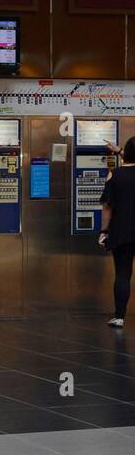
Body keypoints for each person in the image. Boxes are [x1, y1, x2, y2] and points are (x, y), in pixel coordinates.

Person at [100, 137, 135, 326]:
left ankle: (120, 317)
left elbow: (107, 207)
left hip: (122, 231)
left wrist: (103, 230)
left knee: (123, 273)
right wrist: (120, 150)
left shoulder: (115, 175)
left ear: (126, 154)